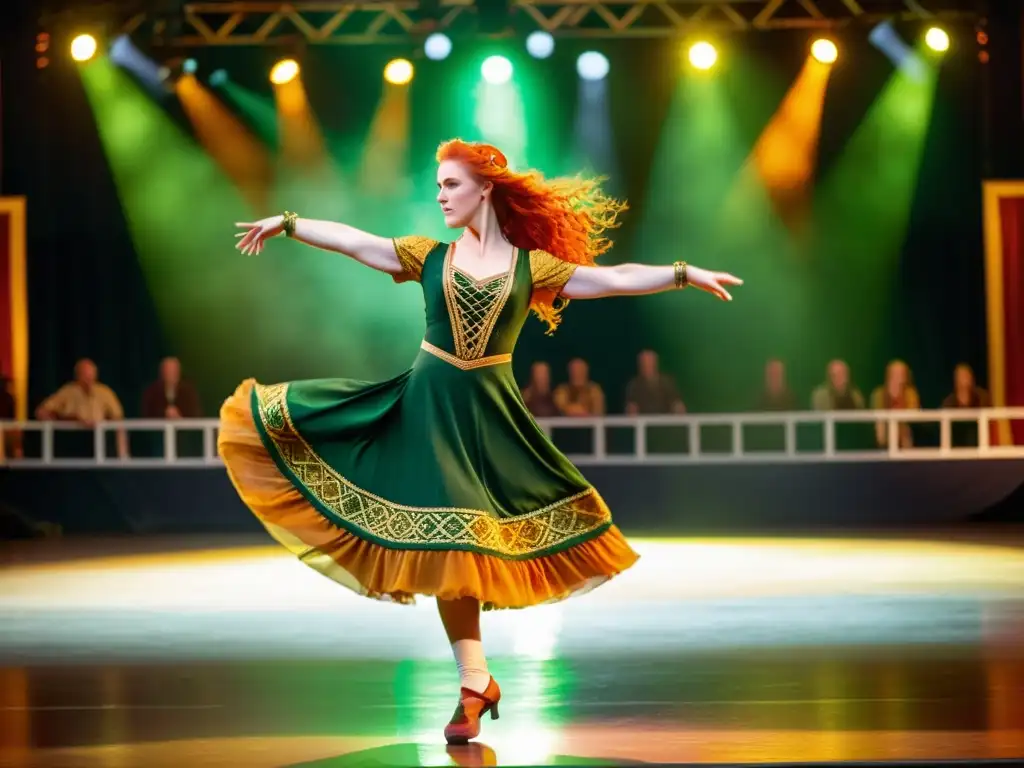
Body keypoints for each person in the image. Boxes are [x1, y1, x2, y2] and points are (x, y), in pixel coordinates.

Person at [221, 139, 743, 744]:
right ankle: (474, 683)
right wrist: (288, 223)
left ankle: (477, 683)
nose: (441, 196)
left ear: (485, 189)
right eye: (438, 186)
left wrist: (683, 273)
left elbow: (614, 278)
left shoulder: (532, 268)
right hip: (427, 413)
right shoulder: (429, 257)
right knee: (453, 548)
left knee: (467, 549)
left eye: (451, 185)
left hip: (489, 415)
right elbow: (355, 240)